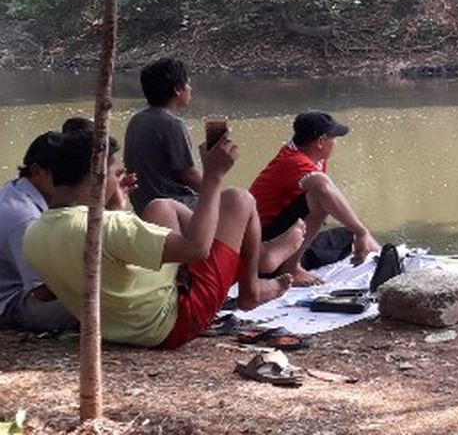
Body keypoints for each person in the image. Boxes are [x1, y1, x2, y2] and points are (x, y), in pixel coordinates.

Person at [23, 129, 298, 348]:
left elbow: (86, 268)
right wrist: (213, 175)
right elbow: (197, 249)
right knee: (239, 199)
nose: (119, 180)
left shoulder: (34, 232)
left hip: (114, 327)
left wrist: (116, 206)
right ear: (97, 177)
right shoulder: (107, 226)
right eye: (115, 174)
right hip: (171, 322)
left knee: (161, 206)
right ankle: (250, 288)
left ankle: (253, 255)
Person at [0, 126, 131, 332]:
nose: (69, 180)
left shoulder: (23, 189)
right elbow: (42, 291)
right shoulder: (24, 218)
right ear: (36, 172)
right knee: (104, 307)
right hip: (13, 302)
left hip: (34, 288)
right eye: (61, 174)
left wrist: (111, 208)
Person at [249, 111, 380, 286]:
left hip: (281, 229)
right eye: (333, 139)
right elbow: (323, 188)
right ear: (320, 142)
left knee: (345, 235)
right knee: (319, 198)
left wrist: (358, 231)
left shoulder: (310, 155)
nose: (335, 144)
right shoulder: (294, 161)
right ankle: (289, 267)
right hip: (263, 238)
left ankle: (289, 262)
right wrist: (361, 232)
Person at [124, 57, 200, 215]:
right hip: (172, 203)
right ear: (177, 90)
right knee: (235, 202)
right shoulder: (173, 124)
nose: (190, 89)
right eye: (187, 84)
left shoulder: (136, 120)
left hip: (142, 205)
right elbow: (189, 175)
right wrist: (215, 192)